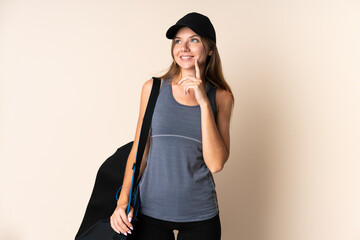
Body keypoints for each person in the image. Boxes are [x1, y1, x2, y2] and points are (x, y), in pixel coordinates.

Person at [110, 12, 234, 240]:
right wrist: (122, 201)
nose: (184, 47)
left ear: (209, 49)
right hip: (149, 214)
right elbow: (140, 152)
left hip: (200, 216)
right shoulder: (152, 89)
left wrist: (204, 103)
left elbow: (215, 164)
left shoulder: (221, 98)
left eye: (194, 40)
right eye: (178, 41)